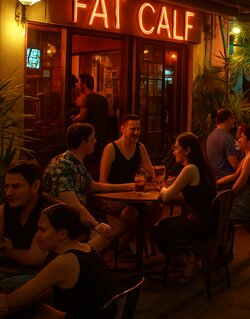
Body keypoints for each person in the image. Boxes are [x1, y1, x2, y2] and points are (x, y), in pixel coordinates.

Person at [0, 204, 115, 319]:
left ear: (62, 233)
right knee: (31, 310)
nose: (37, 236)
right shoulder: (86, 249)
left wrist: (6, 300)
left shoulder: (65, 262)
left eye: (42, 230)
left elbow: (16, 300)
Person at [42, 123, 132, 252]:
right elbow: (73, 204)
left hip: (80, 214)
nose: (95, 141)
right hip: (64, 219)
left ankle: (96, 256)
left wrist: (130, 186)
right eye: (92, 138)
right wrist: (97, 226)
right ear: (83, 143)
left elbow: (92, 186)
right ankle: (79, 258)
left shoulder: (75, 161)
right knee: (104, 233)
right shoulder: (63, 165)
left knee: (121, 223)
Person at [152, 132, 215, 279]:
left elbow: (166, 196)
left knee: (157, 232)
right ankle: (190, 255)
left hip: (197, 224)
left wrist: (160, 185)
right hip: (208, 221)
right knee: (164, 225)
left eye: (176, 148)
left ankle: (186, 260)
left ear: (186, 151)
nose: (174, 152)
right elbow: (194, 194)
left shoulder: (190, 169)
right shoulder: (202, 167)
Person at [97, 114, 158, 259]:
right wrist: (128, 188)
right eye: (132, 129)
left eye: (138, 129)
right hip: (114, 197)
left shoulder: (140, 147)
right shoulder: (111, 149)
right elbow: (102, 182)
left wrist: (151, 177)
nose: (136, 132)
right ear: (122, 129)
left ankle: (124, 243)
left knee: (157, 208)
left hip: (133, 196)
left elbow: (151, 173)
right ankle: (121, 246)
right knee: (131, 214)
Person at [0, 161, 58, 283]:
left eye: (16, 186)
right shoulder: (5, 209)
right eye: (6, 186)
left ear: (35, 186)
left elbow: (36, 257)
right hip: (13, 269)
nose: (8, 193)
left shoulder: (51, 211)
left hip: (44, 274)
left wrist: (9, 252)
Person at [218, 127, 250, 221]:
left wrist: (228, 195)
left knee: (217, 207)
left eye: (242, 137)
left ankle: (223, 234)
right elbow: (234, 176)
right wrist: (215, 184)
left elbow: (240, 183)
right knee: (219, 200)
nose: (239, 140)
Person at [72, 74, 109, 179]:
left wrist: (74, 120)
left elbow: (82, 117)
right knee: (98, 162)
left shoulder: (86, 99)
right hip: (102, 134)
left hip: (90, 135)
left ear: (84, 84)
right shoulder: (102, 98)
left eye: (79, 82)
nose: (77, 84)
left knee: (88, 163)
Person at [206, 108, 239, 180]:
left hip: (215, 178)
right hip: (228, 179)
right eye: (232, 118)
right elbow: (235, 166)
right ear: (226, 119)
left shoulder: (210, 137)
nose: (234, 121)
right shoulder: (227, 138)